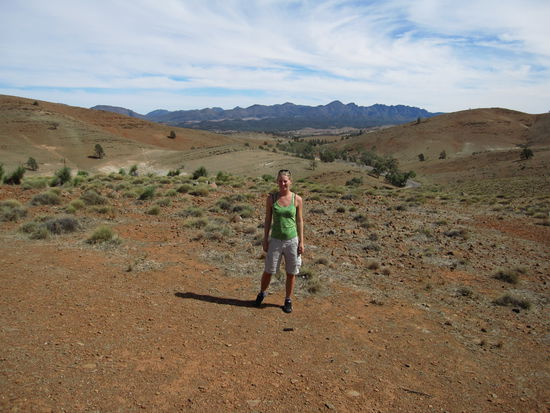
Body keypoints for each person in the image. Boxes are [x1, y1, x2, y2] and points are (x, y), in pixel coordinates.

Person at [255, 169, 304, 313]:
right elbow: (268, 219)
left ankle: (288, 299)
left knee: (291, 272)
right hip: (275, 240)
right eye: (280, 181)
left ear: (290, 182)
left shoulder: (297, 199)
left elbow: (300, 221)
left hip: (292, 240)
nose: (282, 183)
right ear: (277, 182)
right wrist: (265, 239)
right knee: (269, 270)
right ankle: (262, 292)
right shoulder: (271, 199)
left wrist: (301, 241)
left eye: (285, 181)